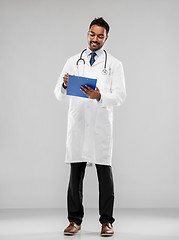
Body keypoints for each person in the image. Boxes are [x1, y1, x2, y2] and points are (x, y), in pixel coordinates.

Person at [54, 17, 126, 237]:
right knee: (75, 175)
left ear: (106, 37)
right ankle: (74, 221)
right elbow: (58, 92)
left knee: (105, 176)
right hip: (78, 124)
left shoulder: (114, 64)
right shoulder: (73, 61)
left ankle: (107, 222)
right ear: (88, 34)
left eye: (100, 36)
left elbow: (120, 96)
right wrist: (66, 84)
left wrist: (100, 96)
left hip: (100, 126)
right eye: (92, 34)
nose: (95, 39)